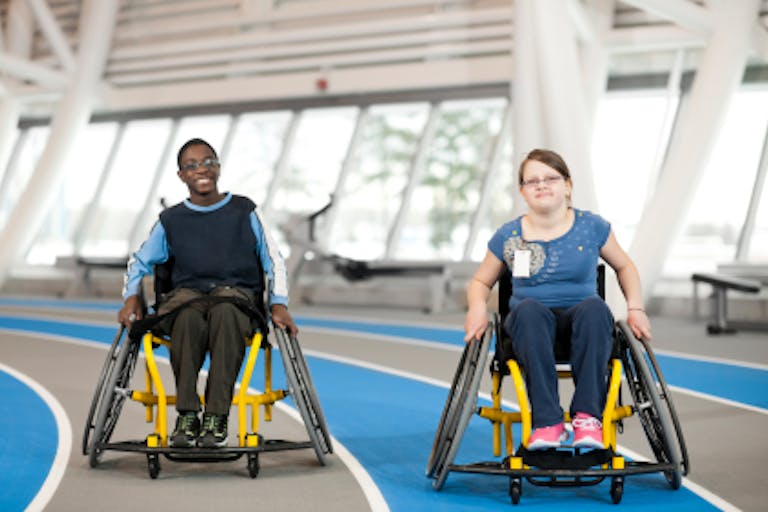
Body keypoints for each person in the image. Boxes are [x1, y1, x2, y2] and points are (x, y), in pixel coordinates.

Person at [463, 148, 651, 451]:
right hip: (530, 327)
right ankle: (547, 422)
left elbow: (625, 266)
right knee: (527, 310)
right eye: (531, 181)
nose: (541, 185)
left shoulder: (592, 227)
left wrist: (636, 308)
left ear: (567, 185)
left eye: (550, 178)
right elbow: (480, 281)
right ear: (523, 191)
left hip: (584, 321)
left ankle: (588, 417)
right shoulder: (509, 235)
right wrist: (476, 308)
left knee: (595, 309)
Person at [118, 137, 298, 449]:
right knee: (186, 318)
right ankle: (187, 415)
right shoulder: (170, 220)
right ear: (181, 175)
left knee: (225, 314)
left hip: (236, 299)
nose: (201, 169)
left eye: (207, 162)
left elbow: (273, 259)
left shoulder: (245, 210)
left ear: (217, 167)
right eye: (191, 165)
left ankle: (216, 417)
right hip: (187, 299)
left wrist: (279, 303)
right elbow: (140, 261)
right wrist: (131, 296)